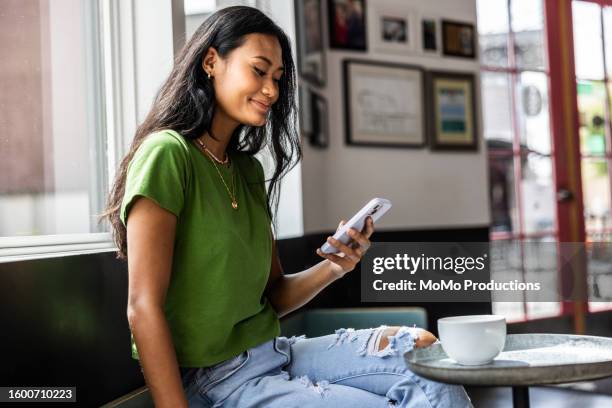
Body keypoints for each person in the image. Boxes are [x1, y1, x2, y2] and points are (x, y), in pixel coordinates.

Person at [100, 6, 473, 408]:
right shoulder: (167, 154)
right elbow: (142, 307)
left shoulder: (245, 170)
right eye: (259, 71)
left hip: (274, 352)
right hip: (216, 380)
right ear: (211, 61)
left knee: (425, 353)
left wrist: (335, 266)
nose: (272, 91)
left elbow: (273, 296)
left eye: (277, 78)